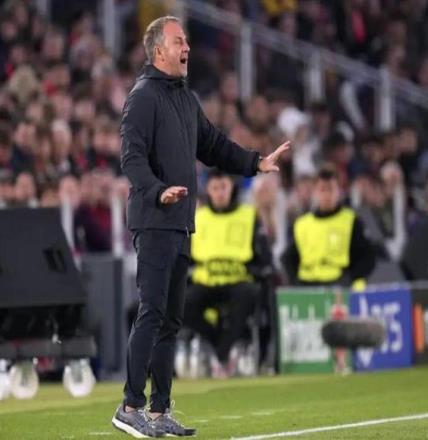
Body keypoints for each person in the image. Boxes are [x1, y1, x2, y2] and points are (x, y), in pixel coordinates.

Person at [112, 16, 289, 439]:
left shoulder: (184, 98)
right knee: (152, 312)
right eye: (179, 41)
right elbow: (131, 158)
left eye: (187, 41)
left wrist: (255, 162)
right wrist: (158, 191)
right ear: (159, 51)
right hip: (154, 221)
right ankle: (129, 406)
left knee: (170, 320)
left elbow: (213, 146)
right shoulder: (143, 97)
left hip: (179, 224)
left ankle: (159, 410)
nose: (187, 47)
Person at [184, 169, 272, 377]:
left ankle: (223, 354)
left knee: (249, 294)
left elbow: (264, 255)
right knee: (181, 302)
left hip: (237, 281)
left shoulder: (248, 215)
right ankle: (220, 345)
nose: (220, 193)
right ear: (208, 190)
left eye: (223, 187)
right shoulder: (198, 218)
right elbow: (186, 256)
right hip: (206, 282)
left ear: (232, 187)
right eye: (215, 188)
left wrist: (260, 270)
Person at [281, 166, 375, 287]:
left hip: (339, 283)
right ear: (315, 191)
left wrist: (351, 277)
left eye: (331, 189)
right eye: (322, 189)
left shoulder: (351, 221)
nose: (326, 194)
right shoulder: (302, 224)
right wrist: (296, 282)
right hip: (308, 284)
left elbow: (367, 257)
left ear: (339, 191)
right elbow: (289, 259)